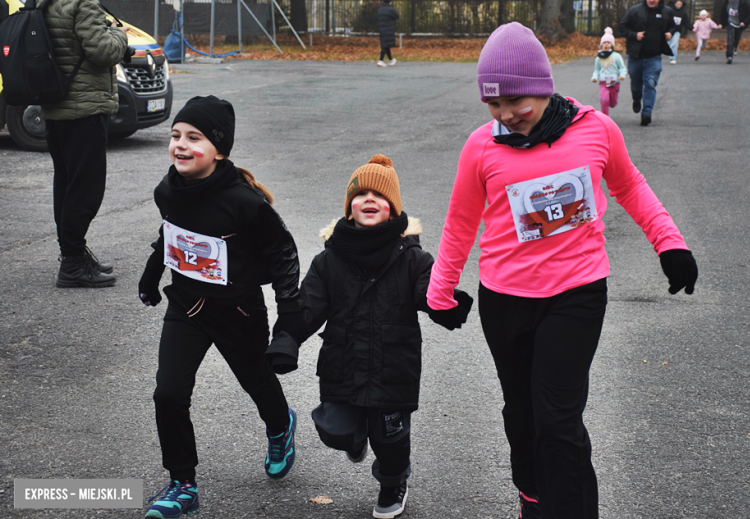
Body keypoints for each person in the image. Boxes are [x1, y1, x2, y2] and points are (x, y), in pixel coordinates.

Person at [426, 22, 698, 519]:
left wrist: (669, 242)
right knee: (521, 414)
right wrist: (439, 291)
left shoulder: (595, 129)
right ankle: (532, 495)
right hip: (504, 298)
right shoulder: (481, 147)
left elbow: (631, 187)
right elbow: (460, 223)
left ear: (543, 90)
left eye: (517, 104)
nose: (506, 115)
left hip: (576, 294)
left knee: (557, 417)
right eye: (494, 106)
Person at [265, 154, 473, 519]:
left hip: (394, 368)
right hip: (343, 365)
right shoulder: (328, 261)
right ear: (349, 208)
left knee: (390, 439)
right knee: (334, 429)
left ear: (393, 209)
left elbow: (430, 293)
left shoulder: (413, 258)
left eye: (380, 196)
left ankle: (393, 483)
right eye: (360, 195)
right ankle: (354, 438)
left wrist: (447, 304)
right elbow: (307, 306)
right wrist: (286, 338)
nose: (369, 201)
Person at [139, 96, 302, 519]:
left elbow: (283, 252)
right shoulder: (167, 189)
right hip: (187, 307)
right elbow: (170, 233)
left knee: (257, 381)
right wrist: (151, 272)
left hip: (238, 311)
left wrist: (288, 317)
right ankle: (182, 484)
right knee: (168, 392)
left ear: (219, 149)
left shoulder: (244, 202)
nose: (181, 145)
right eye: (175, 136)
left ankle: (281, 424)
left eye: (194, 137)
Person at [37, 0, 129, 288]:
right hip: (84, 108)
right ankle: (73, 264)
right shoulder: (82, 4)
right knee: (85, 189)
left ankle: (71, 255)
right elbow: (102, 50)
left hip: (57, 107)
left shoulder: (46, 2)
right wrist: (120, 34)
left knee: (66, 184)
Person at [619, 0, 675, 126]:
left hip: (654, 57)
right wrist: (634, 35)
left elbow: (673, 25)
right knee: (636, 85)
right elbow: (622, 27)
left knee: (650, 82)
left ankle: (647, 113)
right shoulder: (635, 10)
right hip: (636, 56)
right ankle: (637, 99)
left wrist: (670, 33)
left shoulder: (667, 11)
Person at [590, 28, 627, 117]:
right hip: (603, 83)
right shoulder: (599, 58)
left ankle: (612, 102)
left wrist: (622, 75)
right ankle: (605, 117)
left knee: (613, 103)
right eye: (604, 43)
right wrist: (594, 77)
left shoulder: (617, 56)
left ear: (612, 45)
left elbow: (622, 68)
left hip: (614, 83)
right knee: (604, 99)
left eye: (608, 43)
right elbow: (597, 70)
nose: (606, 45)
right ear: (601, 44)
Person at [377, 0, 399, 67]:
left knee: (386, 45)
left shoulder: (380, 10)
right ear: (389, 2)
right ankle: (380, 60)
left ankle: (391, 60)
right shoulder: (390, 9)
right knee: (385, 46)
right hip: (389, 29)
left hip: (381, 29)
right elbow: (397, 16)